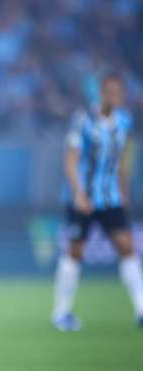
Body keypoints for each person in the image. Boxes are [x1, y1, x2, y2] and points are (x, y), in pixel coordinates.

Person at [52, 72, 143, 331]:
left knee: (126, 245)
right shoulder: (84, 120)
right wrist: (78, 192)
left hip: (110, 196)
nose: (115, 96)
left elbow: (121, 160)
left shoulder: (124, 121)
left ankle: (141, 310)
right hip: (82, 197)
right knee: (75, 250)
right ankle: (61, 313)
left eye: (119, 91)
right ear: (102, 93)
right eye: (110, 91)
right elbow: (70, 158)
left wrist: (124, 191)